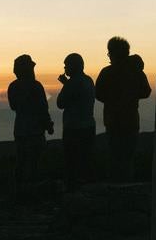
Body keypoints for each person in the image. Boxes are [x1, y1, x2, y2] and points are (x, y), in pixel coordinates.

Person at [95, 36, 150, 181]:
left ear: (114, 53)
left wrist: (113, 98)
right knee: (128, 156)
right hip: (131, 120)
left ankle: (116, 186)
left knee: (115, 156)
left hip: (113, 120)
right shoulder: (136, 71)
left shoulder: (107, 72)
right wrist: (131, 96)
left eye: (109, 53)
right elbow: (146, 91)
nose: (109, 56)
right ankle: (127, 185)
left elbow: (98, 94)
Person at [7, 54, 54, 189]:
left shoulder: (13, 86)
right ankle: (34, 189)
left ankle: (21, 189)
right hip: (35, 131)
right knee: (35, 162)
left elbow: (13, 106)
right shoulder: (36, 86)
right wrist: (48, 124)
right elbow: (43, 108)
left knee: (22, 161)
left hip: (21, 130)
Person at [56, 52, 96, 189]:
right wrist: (67, 84)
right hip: (89, 126)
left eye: (66, 66)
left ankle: (73, 191)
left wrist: (65, 85)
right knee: (85, 160)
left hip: (74, 128)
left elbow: (60, 103)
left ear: (74, 66)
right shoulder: (88, 80)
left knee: (71, 162)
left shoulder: (73, 82)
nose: (65, 69)